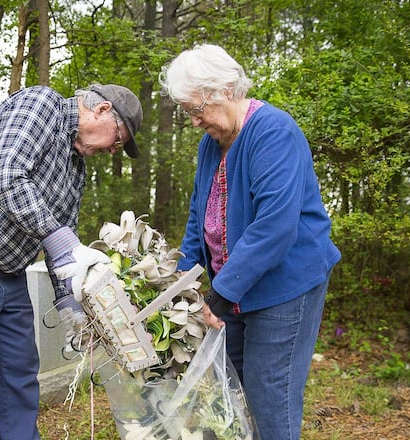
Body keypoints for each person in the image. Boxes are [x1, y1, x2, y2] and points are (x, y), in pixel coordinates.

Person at [0, 84, 142, 439]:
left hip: (8, 273)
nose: (114, 150)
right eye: (118, 138)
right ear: (101, 110)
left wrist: (73, 309)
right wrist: (64, 240)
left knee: (17, 377)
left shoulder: (76, 169)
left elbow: (61, 251)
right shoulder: (42, 104)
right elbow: (7, 175)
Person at [159, 44, 341, 440]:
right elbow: (198, 217)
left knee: (268, 395)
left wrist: (217, 297)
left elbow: (274, 229)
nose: (194, 121)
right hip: (237, 289)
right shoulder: (211, 143)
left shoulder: (273, 132)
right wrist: (179, 285)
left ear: (223, 90)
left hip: (284, 289)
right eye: (189, 112)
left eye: (196, 109)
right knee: (230, 392)